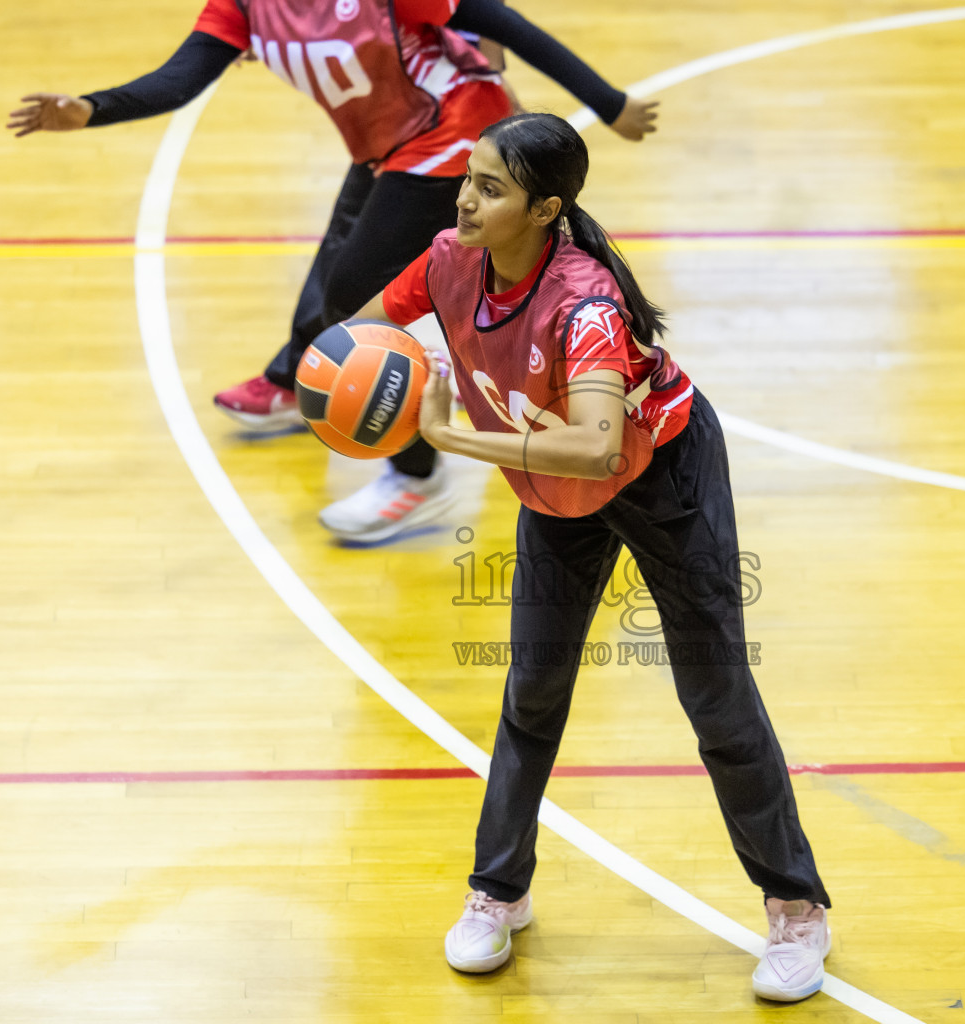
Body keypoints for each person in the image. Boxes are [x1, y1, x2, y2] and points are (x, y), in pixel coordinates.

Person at [351, 112, 832, 1002]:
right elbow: (361, 333)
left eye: (490, 187)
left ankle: (797, 909)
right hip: (557, 495)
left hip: (662, 480)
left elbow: (597, 446)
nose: (465, 196)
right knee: (531, 688)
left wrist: (453, 436)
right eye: (468, 176)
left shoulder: (585, 304)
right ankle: (499, 891)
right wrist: (342, 383)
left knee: (716, 696)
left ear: (545, 209)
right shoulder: (452, 257)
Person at [7, 0, 658, 544]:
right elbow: (182, 77)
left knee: (354, 294)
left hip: (455, 130)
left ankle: (418, 475)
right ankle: (297, 377)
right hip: (390, 141)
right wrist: (90, 108)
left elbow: (495, 17)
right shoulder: (241, 6)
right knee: (338, 263)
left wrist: (608, 102)